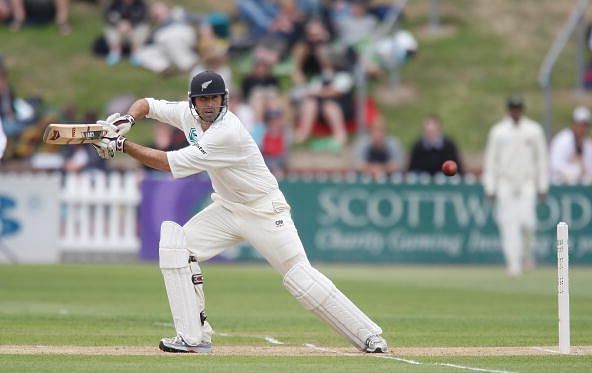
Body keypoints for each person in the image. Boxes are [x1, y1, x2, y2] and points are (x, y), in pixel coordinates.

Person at [91, 70, 388, 354]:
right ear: (192, 101)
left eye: (215, 99)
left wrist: (121, 144)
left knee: (300, 277)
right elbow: (148, 104)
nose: (210, 105)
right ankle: (193, 337)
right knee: (177, 245)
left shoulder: (227, 132)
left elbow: (169, 163)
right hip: (227, 208)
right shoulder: (186, 113)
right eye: (203, 100)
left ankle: (369, 335)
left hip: (264, 210)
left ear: (225, 99)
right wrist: (127, 119)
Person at [483, 95, 548, 277]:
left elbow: (541, 159)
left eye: (518, 108)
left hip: (527, 182)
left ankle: (527, 256)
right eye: (513, 108)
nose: (515, 112)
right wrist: (490, 187)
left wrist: (542, 185)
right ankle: (513, 264)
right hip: (505, 183)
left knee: (528, 223)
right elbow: (491, 161)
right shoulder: (498, 131)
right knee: (508, 225)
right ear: (508, 110)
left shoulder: (534, 130)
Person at [549, 106, 592, 184]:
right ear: (574, 124)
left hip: (580, 187)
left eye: (585, 125)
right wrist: (576, 170)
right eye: (580, 124)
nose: (582, 128)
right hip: (559, 184)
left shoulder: (587, 144)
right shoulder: (563, 140)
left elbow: (590, 168)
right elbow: (555, 165)